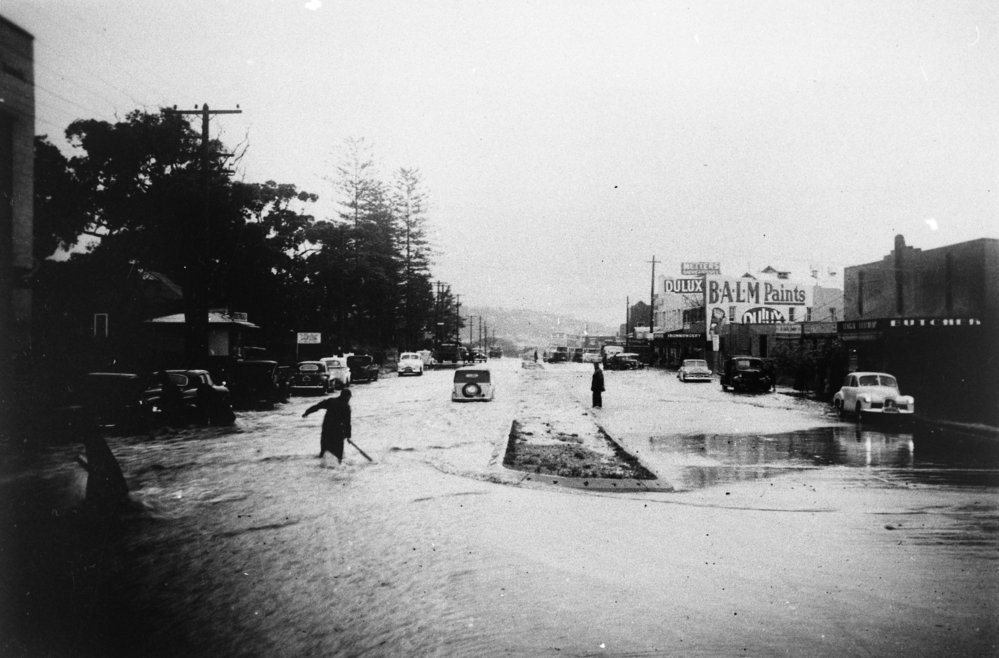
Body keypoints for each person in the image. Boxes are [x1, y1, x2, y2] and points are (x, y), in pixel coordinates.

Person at [303, 389, 352, 463]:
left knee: (324, 450)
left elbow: (317, 406)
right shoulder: (346, 407)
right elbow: (347, 422)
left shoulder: (331, 401)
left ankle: (321, 463)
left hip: (326, 428)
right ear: (347, 397)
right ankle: (339, 465)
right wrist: (348, 435)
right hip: (337, 430)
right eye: (349, 397)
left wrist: (307, 412)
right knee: (339, 454)